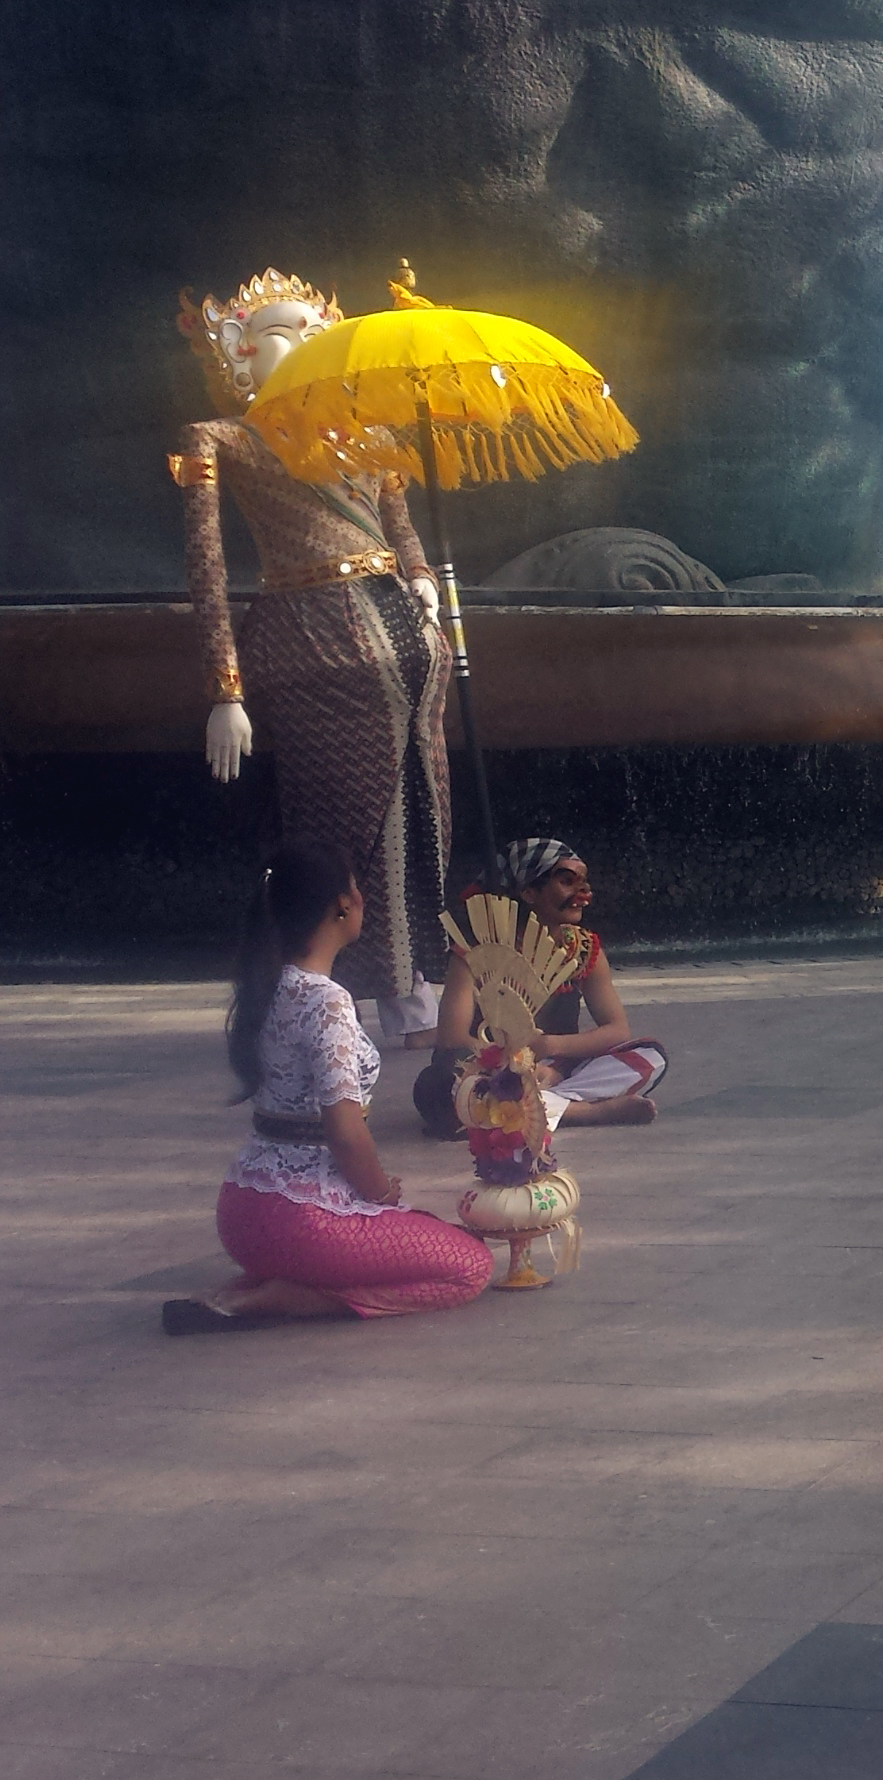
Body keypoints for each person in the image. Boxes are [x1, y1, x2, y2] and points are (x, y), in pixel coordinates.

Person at [174, 271, 454, 1042]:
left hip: (407, 644)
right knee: (332, 828)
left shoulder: (373, 435)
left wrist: (424, 580)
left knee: (420, 817)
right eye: (280, 333)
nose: (301, 345)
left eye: (313, 333)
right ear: (237, 350)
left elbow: (401, 531)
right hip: (311, 647)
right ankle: (323, 995)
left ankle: (413, 990)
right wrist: (225, 687)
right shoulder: (221, 439)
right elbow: (207, 568)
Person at [164, 842, 492, 1335]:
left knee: (435, 1231)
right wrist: (380, 1192)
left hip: (242, 1214)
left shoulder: (267, 986)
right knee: (469, 1263)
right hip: (303, 1221)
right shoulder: (327, 1001)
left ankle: (262, 1285)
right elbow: (345, 1133)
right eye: (357, 888)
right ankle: (291, 1298)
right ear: (342, 904)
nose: (362, 899)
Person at [415, 839, 671, 1136]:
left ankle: (530, 1108)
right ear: (529, 892)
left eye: (584, 882)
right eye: (567, 882)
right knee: (436, 1087)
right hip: (487, 1068)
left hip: (555, 1069)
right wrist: (512, 1065)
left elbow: (616, 1030)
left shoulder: (583, 949)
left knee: (650, 1056)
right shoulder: (476, 950)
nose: (583, 894)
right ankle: (583, 1112)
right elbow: (452, 1037)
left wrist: (550, 1048)